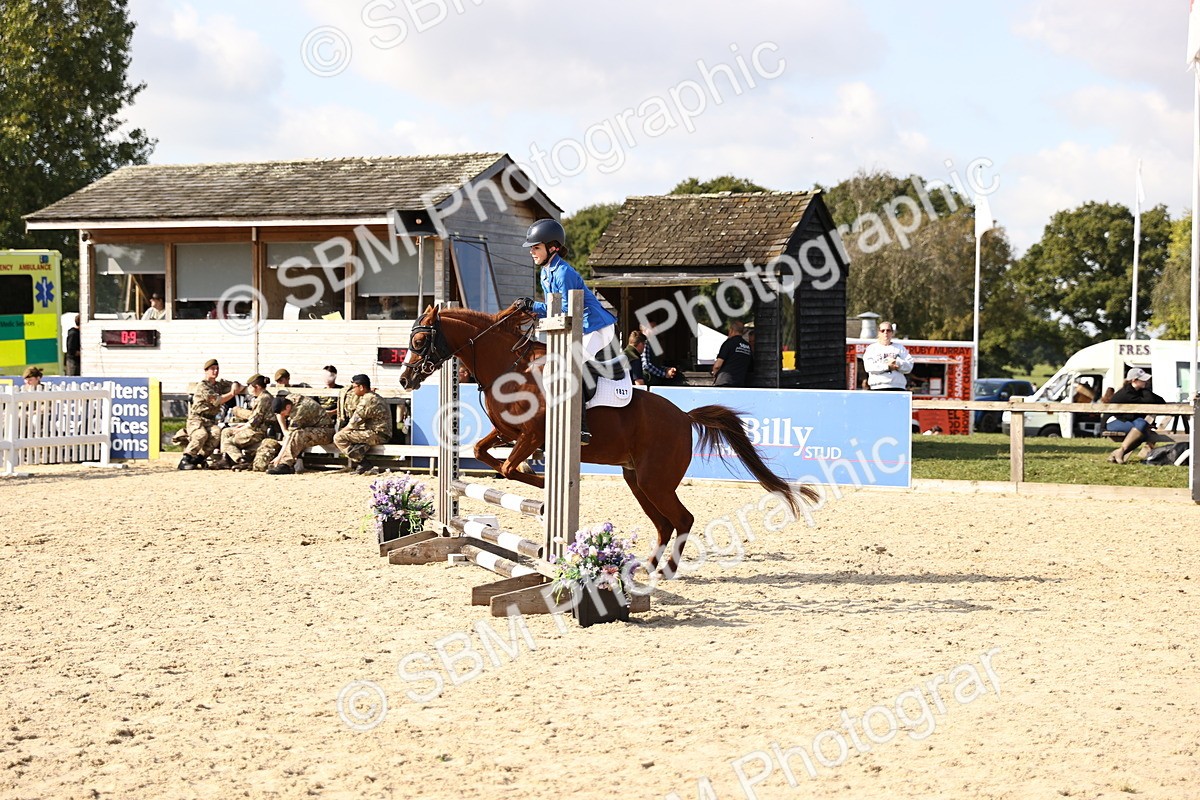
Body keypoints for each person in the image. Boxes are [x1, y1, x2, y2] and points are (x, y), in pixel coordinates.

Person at [514, 218, 617, 445]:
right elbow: (554, 308)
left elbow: (568, 310)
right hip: (578, 326)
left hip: (595, 326)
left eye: (536, 247)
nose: (532, 252)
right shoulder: (545, 273)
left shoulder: (563, 273)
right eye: (531, 247)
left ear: (553, 247)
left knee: (570, 366)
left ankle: (581, 428)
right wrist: (532, 309)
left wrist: (534, 306)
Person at [179, 359, 242, 470]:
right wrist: (232, 393)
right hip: (197, 418)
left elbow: (237, 385)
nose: (215, 371)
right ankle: (186, 458)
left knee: (216, 434)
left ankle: (199, 459)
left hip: (210, 420)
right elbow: (217, 400)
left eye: (217, 369)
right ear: (206, 371)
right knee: (201, 434)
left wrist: (235, 385)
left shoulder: (218, 385)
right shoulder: (203, 386)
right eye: (212, 369)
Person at [1105, 368, 1171, 464]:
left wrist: (1145, 390)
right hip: (1115, 422)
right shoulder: (1126, 393)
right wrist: (1146, 391)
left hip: (1130, 420)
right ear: (1134, 380)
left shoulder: (1139, 391)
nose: (1146, 381)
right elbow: (1148, 401)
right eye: (1142, 380)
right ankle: (1120, 451)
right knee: (1142, 429)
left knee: (1142, 426)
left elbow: (1161, 401)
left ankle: (1119, 452)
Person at [332, 374, 392, 473]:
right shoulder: (372, 397)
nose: (353, 390)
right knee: (350, 439)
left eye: (354, 387)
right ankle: (361, 461)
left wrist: (339, 433)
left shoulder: (368, 400)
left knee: (339, 438)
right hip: (379, 433)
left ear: (361, 387)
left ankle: (364, 464)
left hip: (378, 435)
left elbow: (353, 423)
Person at [213, 374, 274, 470]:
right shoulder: (261, 397)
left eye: (250, 386)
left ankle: (242, 461)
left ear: (257, 387)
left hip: (259, 432)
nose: (248, 389)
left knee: (228, 442)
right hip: (255, 428)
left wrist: (241, 428)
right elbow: (255, 418)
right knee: (226, 431)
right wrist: (242, 426)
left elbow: (255, 421)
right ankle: (225, 460)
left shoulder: (264, 398)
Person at [266, 394, 334, 475]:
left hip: (326, 432)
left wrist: (279, 457)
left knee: (298, 434)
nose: (283, 416)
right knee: (295, 434)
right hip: (311, 429)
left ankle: (285, 464)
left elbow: (291, 436)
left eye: (283, 413)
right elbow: (279, 414)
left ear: (287, 407)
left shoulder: (300, 411)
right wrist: (284, 430)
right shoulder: (289, 399)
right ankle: (286, 463)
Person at [863, 321, 913, 391]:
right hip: (878, 387)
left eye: (888, 330)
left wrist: (897, 363)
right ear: (879, 333)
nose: (885, 333)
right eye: (882, 330)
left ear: (892, 333)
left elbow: (909, 366)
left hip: (898, 387)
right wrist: (888, 367)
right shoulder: (871, 348)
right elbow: (869, 367)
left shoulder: (900, 348)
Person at [711, 320, 753, 387]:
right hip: (740, 382)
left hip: (725, 381)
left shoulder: (729, 343)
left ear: (731, 330)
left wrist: (714, 373)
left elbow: (717, 366)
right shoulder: (748, 346)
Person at [640, 321, 679, 387]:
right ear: (644, 331)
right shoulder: (645, 344)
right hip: (648, 383)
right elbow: (646, 365)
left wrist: (667, 369)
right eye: (653, 328)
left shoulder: (652, 344)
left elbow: (655, 365)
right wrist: (664, 374)